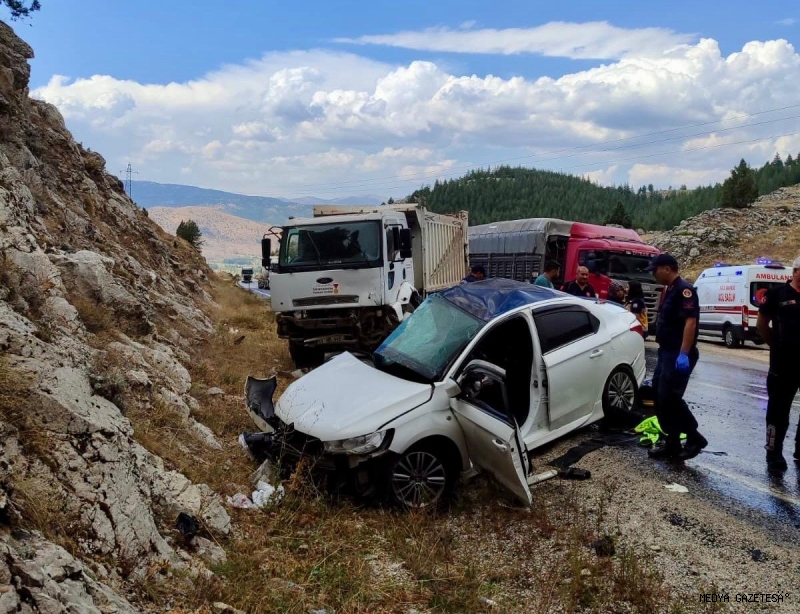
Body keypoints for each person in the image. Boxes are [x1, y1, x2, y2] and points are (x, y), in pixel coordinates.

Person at [646, 253, 708, 461]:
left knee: (670, 397)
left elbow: (690, 322)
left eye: (655, 270)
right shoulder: (670, 289)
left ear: (667, 268)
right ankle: (671, 442)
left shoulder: (684, 290)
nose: (654, 274)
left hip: (677, 352)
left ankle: (694, 436)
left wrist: (683, 354)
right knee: (658, 395)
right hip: (666, 351)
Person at [756, 256, 800, 472]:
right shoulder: (777, 294)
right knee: (778, 412)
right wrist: (775, 344)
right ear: (796, 271)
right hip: (783, 364)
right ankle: (773, 454)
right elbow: (762, 324)